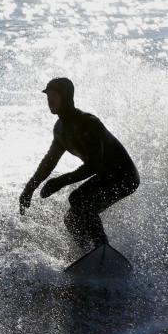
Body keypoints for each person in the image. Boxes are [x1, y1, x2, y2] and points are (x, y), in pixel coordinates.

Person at [19, 78, 139, 253]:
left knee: (82, 202)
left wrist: (59, 181)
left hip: (125, 177)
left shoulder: (88, 122)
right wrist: (30, 188)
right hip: (106, 176)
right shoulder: (60, 129)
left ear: (66, 97)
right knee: (72, 216)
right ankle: (89, 253)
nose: (49, 100)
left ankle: (102, 248)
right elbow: (49, 161)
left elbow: (94, 165)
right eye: (48, 96)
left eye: (54, 95)